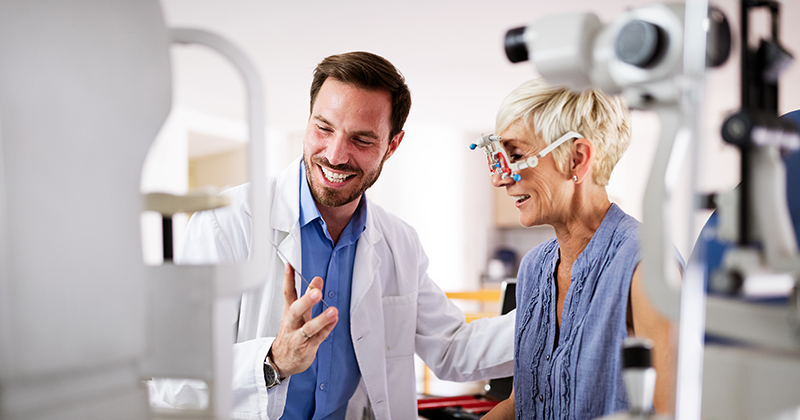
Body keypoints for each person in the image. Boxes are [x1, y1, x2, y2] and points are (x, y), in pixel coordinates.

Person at [158, 51, 514, 420]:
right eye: (324, 128)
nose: (335, 154)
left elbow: (452, 349)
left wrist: (561, 311)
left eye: (361, 140)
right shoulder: (226, 221)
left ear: (392, 145)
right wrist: (273, 361)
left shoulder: (399, 242)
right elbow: (172, 374)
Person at [479, 79, 675, 420]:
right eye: (498, 158)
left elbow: (670, 412)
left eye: (516, 155)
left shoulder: (645, 263)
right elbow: (519, 404)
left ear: (577, 159)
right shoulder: (534, 268)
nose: (499, 179)